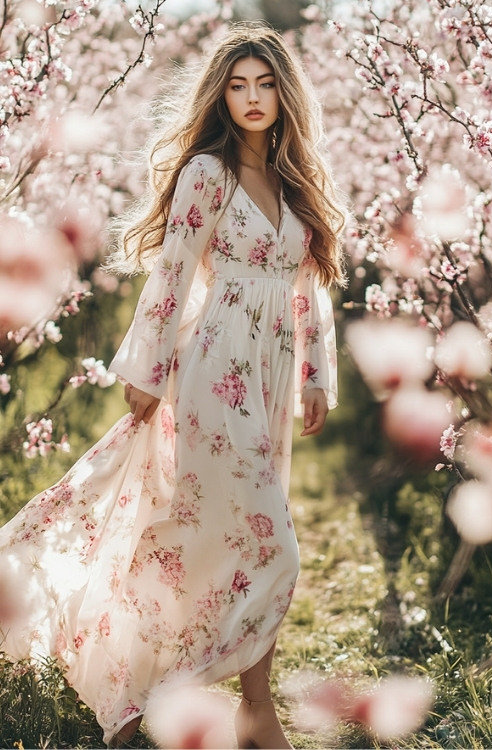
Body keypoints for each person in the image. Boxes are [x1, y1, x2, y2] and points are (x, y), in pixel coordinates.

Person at [0, 22, 345, 750]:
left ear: (285, 94)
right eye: (238, 84)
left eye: (265, 84)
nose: (252, 98)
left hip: (273, 373)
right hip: (215, 369)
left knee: (213, 539)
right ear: (221, 95)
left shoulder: (295, 181)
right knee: (270, 542)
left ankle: (156, 696)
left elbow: (309, 287)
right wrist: (149, 371)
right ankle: (251, 709)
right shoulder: (207, 174)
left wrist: (315, 374)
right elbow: (173, 273)